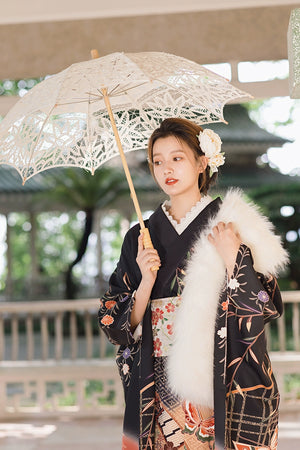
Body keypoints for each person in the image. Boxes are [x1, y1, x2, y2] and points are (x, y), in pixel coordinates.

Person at [98, 118, 288, 450]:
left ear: (202, 162)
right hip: (158, 380)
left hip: (218, 370)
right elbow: (113, 321)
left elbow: (267, 303)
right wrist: (146, 283)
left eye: (177, 158)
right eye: (157, 161)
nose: (165, 168)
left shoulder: (232, 224)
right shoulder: (139, 238)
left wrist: (235, 259)